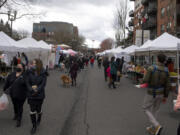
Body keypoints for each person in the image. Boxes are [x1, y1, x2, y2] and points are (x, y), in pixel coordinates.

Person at [141, 54, 170, 135]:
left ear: (157, 59)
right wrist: (166, 96)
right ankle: (153, 128)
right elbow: (168, 85)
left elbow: (145, 80)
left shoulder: (151, 68)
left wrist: (144, 75)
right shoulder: (166, 70)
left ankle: (156, 125)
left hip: (151, 92)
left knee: (145, 108)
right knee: (156, 110)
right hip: (161, 93)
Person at [26, 59, 48, 134]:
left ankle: (39, 116)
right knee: (32, 110)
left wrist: (37, 90)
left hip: (39, 95)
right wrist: (30, 89)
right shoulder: (29, 72)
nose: (33, 64)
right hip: (31, 94)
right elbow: (27, 82)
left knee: (38, 109)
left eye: (35, 63)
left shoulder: (43, 72)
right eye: (33, 63)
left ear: (39, 64)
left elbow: (43, 84)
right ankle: (34, 126)